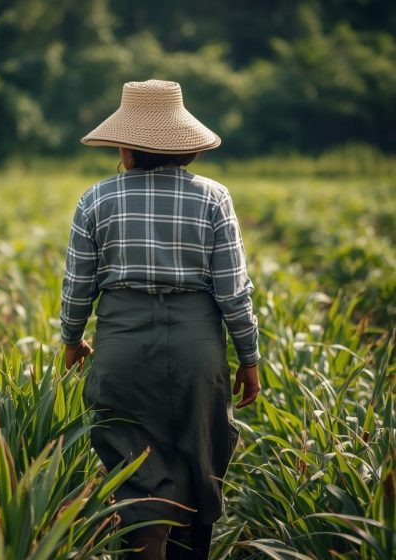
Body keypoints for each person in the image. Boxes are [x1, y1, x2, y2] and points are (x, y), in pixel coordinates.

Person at [60, 80, 261, 559]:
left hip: (121, 343)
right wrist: (249, 358)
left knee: (133, 461)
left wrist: (71, 341)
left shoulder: (95, 200)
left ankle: (147, 544)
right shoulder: (214, 198)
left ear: (126, 147)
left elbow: (77, 288)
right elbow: (234, 292)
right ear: (185, 147)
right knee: (200, 457)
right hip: (197, 346)